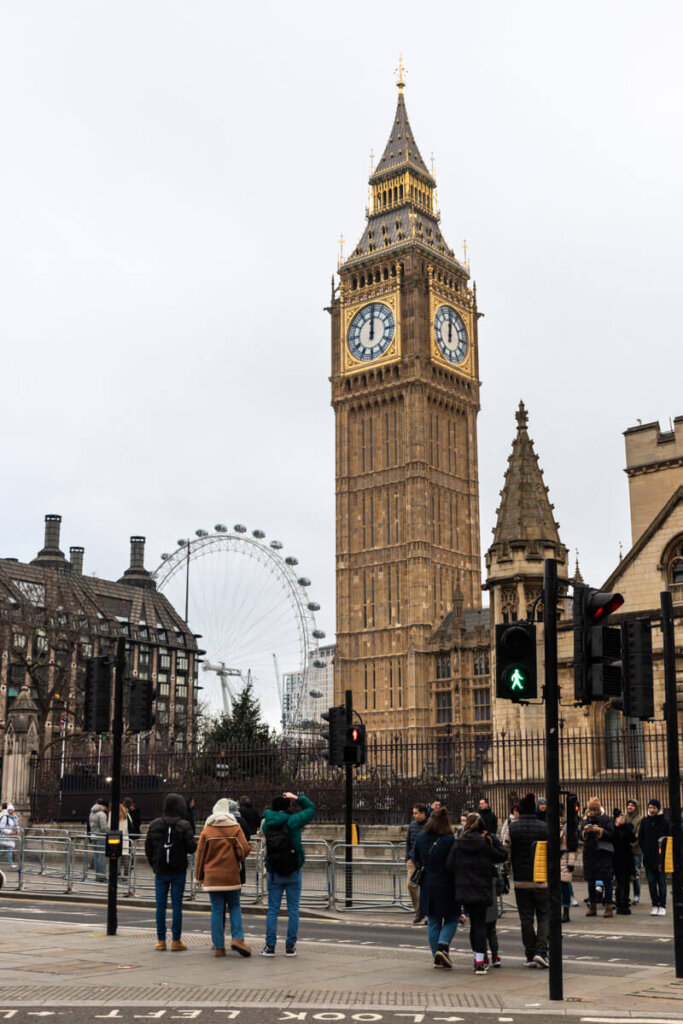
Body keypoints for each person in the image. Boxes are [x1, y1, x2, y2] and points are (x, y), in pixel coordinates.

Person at [448, 812, 507, 975]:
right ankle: (479, 963)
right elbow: (503, 854)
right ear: (482, 830)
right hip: (482, 889)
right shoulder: (485, 844)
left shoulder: (458, 844)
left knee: (473, 924)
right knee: (479, 925)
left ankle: (478, 958)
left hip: (465, 890)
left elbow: (449, 865)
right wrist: (492, 838)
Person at [260, 790, 315, 957]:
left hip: (275, 872)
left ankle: (270, 946)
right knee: (293, 910)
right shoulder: (293, 821)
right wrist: (296, 798)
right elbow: (311, 808)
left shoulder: (267, 823)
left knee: (273, 910)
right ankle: (290, 946)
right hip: (293, 871)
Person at [195, 797, 252, 957]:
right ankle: (237, 938)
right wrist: (237, 858)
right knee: (234, 906)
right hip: (231, 875)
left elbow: (200, 857)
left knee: (216, 910)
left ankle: (219, 947)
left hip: (213, 878)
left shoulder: (207, 831)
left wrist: (198, 877)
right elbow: (244, 849)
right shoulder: (235, 828)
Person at [145, 793, 197, 951]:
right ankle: (176, 940)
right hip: (178, 869)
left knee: (160, 906)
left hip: (160, 870)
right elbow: (191, 847)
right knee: (177, 905)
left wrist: (154, 865)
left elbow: (148, 848)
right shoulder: (184, 824)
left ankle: (160, 940)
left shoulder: (154, 824)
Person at [505, 792, 549, 969]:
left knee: (526, 918)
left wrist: (506, 872)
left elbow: (506, 852)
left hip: (521, 880)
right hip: (541, 879)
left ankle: (530, 954)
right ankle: (541, 951)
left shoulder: (512, 828)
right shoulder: (544, 827)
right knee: (544, 916)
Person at [413, 807, 458, 968]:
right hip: (446, 884)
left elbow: (415, 857)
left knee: (433, 921)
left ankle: (436, 957)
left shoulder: (421, 836)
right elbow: (454, 862)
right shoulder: (449, 839)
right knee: (452, 917)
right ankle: (443, 945)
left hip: (427, 884)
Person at [582, 797, 615, 918]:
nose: (592, 812)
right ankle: (592, 906)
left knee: (607, 881)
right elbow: (580, 833)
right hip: (590, 853)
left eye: (594, 809)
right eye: (591, 809)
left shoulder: (606, 819)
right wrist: (585, 830)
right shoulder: (586, 819)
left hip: (603, 853)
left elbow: (612, 834)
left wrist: (599, 830)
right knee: (591, 881)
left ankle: (608, 906)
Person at [638, 798, 669, 915]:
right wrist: (645, 849)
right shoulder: (644, 822)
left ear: (658, 808)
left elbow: (668, 839)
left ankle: (662, 905)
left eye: (654, 807)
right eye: (650, 807)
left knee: (662, 882)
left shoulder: (665, 822)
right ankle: (655, 904)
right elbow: (641, 838)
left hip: (661, 858)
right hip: (649, 857)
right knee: (651, 883)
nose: (651, 810)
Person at [405, 803, 429, 924]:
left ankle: (429, 914)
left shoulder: (430, 826)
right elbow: (408, 842)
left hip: (426, 862)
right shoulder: (412, 826)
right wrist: (407, 859)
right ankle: (419, 911)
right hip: (413, 860)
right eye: (413, 813)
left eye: (416, 813)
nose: (414, 815)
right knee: (411, 885)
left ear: (423, 813)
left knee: (427, 888)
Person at [612, 809, 635, 915]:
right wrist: (616, 826)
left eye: (622, 817)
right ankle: (619, 904)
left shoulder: (628, 826)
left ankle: (625, 903)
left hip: (627, 858)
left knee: (626, 882)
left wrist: (625, 826)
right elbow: (613, 839)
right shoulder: (613, 828)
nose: (621, 819)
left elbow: (633, 839)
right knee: (619, 882)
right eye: (619, 817)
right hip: (617, 858)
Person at [625, 799, 643, 904]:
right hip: (625, 852)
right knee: (625, 875)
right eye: (629, 805)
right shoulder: (624, 818)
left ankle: (637, 895)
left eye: (632, 805)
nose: (630, 807)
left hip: (636, 851)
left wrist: (629, 844)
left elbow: (638, 836)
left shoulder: (639, 819)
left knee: (636, 875)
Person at [88, 798, 109, 882]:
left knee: (96, 856)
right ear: (103, 806)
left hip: (93, 836)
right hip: (101, 837)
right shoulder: (102, 814)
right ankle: (102, 876)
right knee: (101, 857)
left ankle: (97, 875)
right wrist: (109, 830)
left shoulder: (92, 813)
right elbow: (103, 828)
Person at [560, 820, 576, 923]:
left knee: (565, 889)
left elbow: (571, 849)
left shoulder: (565, 834)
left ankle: (566, 911)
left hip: (564, 865)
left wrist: (570, 864)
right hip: (555, 866)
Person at [0, 803, 19, 869]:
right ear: (8, 810)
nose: (11, 811)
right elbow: (1, 827)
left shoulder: (15, 817)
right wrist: (9, 832)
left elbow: (16, 825)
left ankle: (11, 864)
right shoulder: (5, 817)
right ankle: (11, 864)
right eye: (9, 810)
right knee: (8, 850)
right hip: (5, 837)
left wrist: (17, 830)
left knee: (5, 851)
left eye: (12, 810)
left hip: (10, 837)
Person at [118, 802, 132, 879]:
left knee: (118, 855)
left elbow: (109, 825)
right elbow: (131, 824)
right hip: (125, 837)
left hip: (117, 836)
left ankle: (118, 873)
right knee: (125, 855)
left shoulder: (114, 815)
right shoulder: (126, 814)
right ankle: (126, 873)